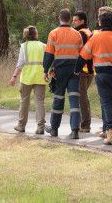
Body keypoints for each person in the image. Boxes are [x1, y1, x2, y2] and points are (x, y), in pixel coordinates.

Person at [76, 10, 112, 145]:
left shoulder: (96, 38)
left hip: (103, 75)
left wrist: (76, 71)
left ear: (100, 23)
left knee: (107, 103)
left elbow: (83, 57)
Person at [44, 9, 84, 139]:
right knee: (74, 100)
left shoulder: (53, 33)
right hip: (74, 70)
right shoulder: (77, 34)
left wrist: (45, 70)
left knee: (58, 98)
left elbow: (49, 54)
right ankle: (75, 130)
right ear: (70, 19)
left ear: (59, 18)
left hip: (59, 70)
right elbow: (82, 53)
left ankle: (54, 129)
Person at [9, 26, 47, 134]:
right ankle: (40, 127)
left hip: (27, 78)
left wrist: (14, 77)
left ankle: (21, 125)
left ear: (26, 35)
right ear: (36, 34)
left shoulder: (24, 46)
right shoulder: (43, 46)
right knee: (40, 102)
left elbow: (20, 64)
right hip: (40, 77)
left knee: (24, 101)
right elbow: (48, 61)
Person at [73, 11, 94, 133]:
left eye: (75, 20)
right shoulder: (89, 31)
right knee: (83, 96)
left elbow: (79, 51)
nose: (74, 22)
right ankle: (84, 123)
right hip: (89, 69)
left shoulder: (81, 33)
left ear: (82, 21)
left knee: (82, 97)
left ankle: (85, 125)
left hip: (83, 69)